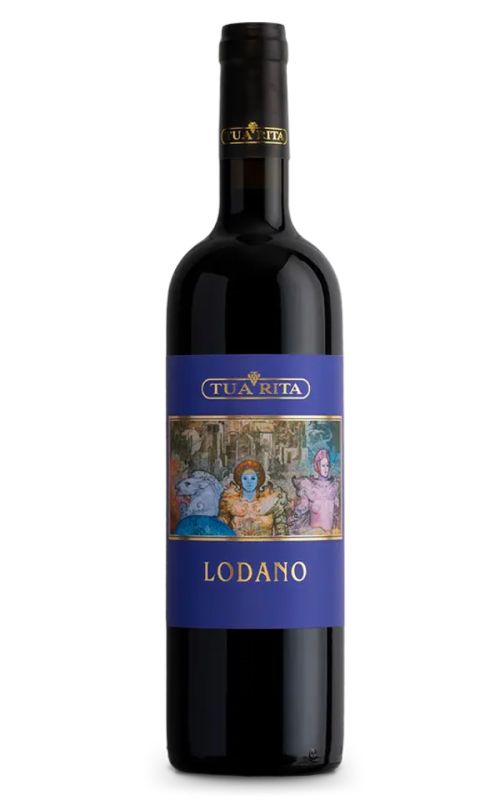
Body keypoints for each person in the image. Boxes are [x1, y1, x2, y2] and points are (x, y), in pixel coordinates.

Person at [219, 459, 288, 536]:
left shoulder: (272, 500)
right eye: (245, 478)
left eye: (253, 478)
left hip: (265, 543)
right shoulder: (230, 501)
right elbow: (222, 529)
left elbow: (282, 531)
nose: (249, 482)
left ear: (258, 479)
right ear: (240, 480)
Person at [290, 449, 340, 534]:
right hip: (315, 534)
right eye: (323, 465)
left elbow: (337, 514)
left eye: (327, 465)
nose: (326, 469)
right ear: (317, 466)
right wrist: (293, 517)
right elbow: (301, 508)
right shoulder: (309, 487)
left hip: (330, 535)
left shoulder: (333, 487)